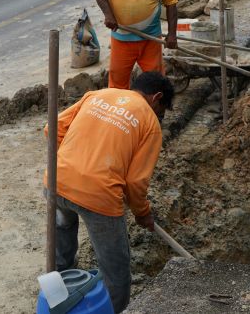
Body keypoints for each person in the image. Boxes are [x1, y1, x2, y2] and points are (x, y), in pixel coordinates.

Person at [43, 71, 174, 313]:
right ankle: (114, 309)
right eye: (162, 110)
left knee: (60, 250)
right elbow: (135, 182)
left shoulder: (97, 95)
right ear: (156, 98)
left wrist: (74, 160)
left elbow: (52, 128)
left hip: (56, 182)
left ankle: (57, 302)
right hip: (99, 196)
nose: (159, 116)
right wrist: (142, 213)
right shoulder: (150, 124)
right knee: (116, 271)